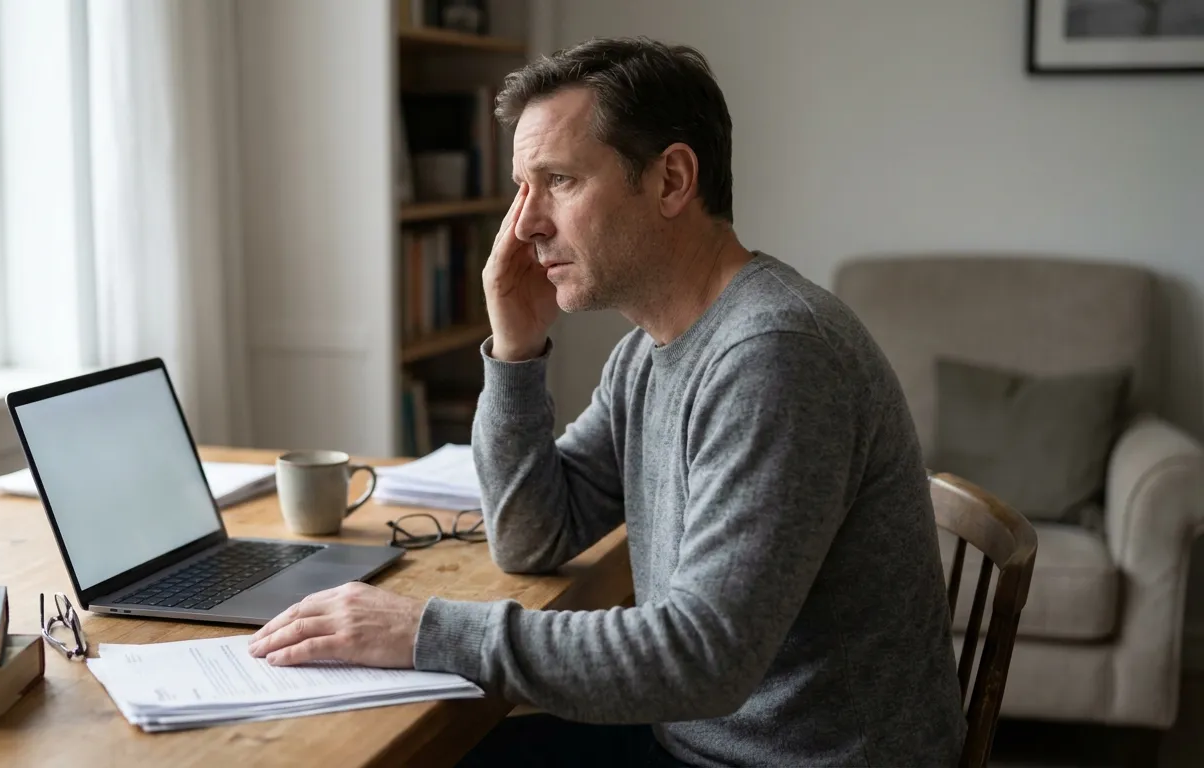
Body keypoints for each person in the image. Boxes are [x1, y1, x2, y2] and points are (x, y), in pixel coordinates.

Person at [249, 37, 965, 766]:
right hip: (701, 742)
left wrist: (423, 630)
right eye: (522, 188)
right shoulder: (651, 351)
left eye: (557, 180)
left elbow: (701, 658)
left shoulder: (774, 354)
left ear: (671, 180)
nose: (525, 225)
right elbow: (534, 535)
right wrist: (515, 352)